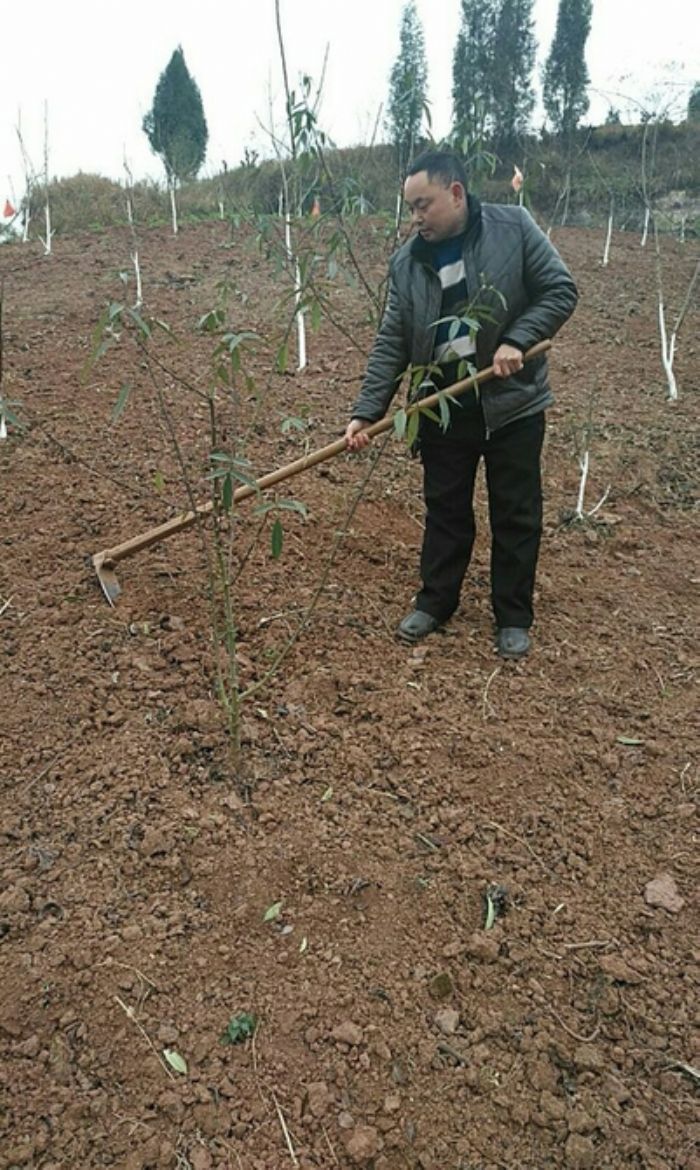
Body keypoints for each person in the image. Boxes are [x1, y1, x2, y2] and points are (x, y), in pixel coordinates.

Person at [345, 150, 577, 659]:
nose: (416, 218)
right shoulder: (407, 263)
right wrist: (367, 410)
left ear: (454, 194)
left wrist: (518, 338)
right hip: (442, 405)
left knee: (516, 512)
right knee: (445, 510)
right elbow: (393, 341)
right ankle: (436, 601)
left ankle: (513, 616)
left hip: (511, 401)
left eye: (423, 205)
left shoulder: (512, 228)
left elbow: (560, 289)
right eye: (410, 208)